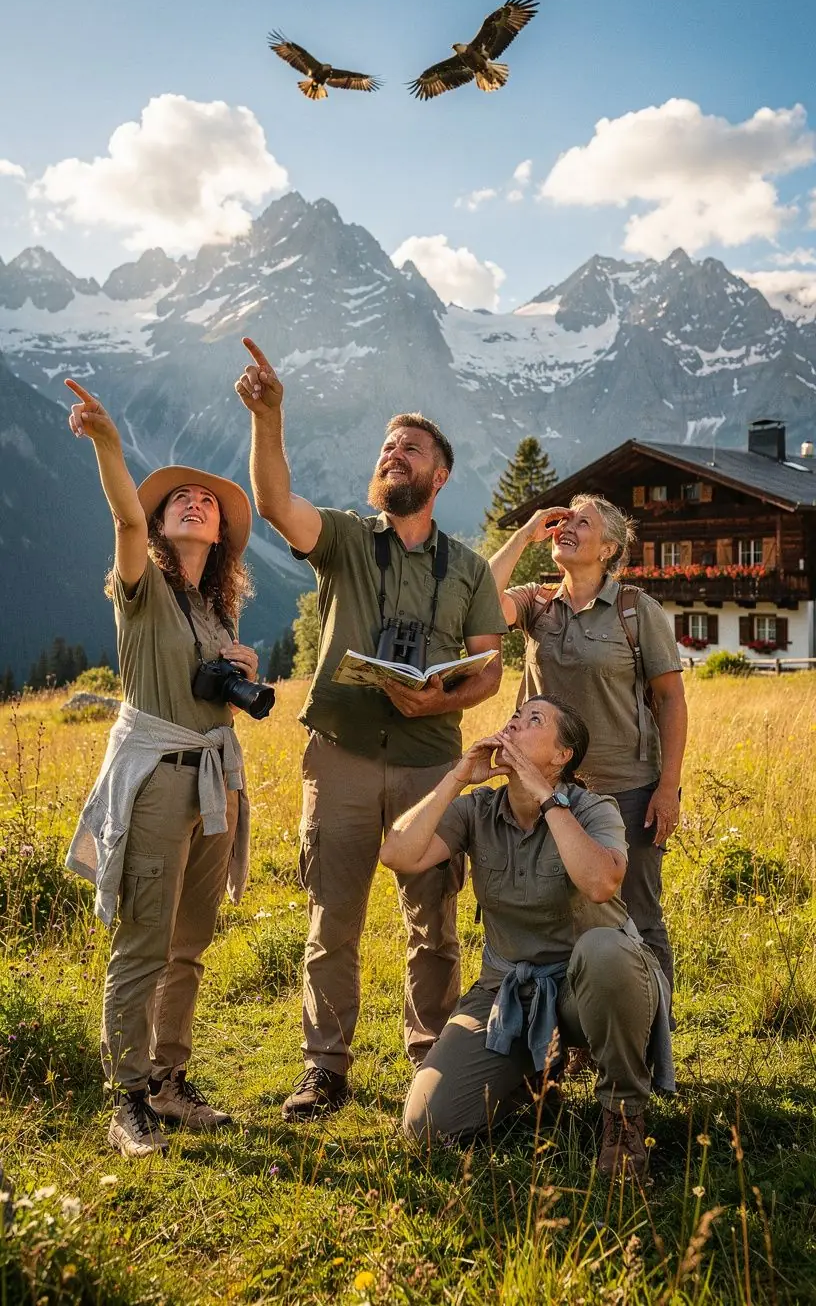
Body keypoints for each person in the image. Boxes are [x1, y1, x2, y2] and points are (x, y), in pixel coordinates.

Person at [235, 338, 507, 1121]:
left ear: (438, 474)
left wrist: (443, 703)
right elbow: (276, 503)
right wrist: (270, 418)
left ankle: (432, 1058)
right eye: (387, 446)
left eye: (409, 447)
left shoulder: (469, 568)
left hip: (431, 762)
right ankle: (326, 1067)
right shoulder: (350, 541)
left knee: (436, 921)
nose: (393, 454)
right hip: (342, 754)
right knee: (333, 920)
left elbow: (490, 668)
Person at [64, 379, 260, 1158]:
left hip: (213, 784)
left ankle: (169, 1082)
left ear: (220, 535)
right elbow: (122, 514)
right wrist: (110, 446)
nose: (193, 504)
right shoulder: (141, 591)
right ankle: (126, 1100)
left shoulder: (217, 612)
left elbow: (218, 698)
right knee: (143, 940)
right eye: (178, 499)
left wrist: (243, 664)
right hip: (157, 784)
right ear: (159, 522)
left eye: (206, 503)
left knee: (189, 941)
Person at [381, 696, 673, 1179]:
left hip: (591, 989)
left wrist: (547, 797)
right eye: (515, 716)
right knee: (425, 1125)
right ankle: (535, 1072)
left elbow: (601, 883)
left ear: (562, 756)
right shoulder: (478, 810)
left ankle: (622, 1118)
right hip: (510, 992)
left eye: (533, 720)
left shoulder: (592, 807)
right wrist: (457, 776)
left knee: (606, 950)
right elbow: (398, 853)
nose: (515, 722)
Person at [488, 495, 686, 993]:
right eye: (563, 521)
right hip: (545, 789)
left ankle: (648, 1034)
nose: (566, 527)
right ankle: (578, 1029)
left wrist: (668, 788)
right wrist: (527, 531)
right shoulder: (537, 603)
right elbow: (479, 601)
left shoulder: (635, 611)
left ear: (608, 548)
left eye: (583, 522)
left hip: (627, 789)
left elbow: (671, 701)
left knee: (637, 914)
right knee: (559, 914)